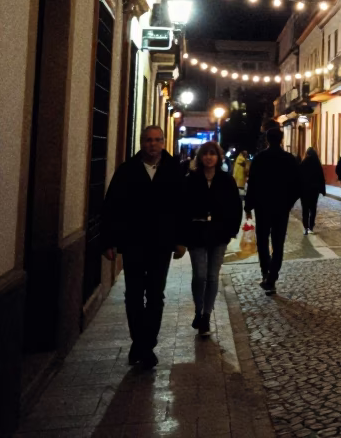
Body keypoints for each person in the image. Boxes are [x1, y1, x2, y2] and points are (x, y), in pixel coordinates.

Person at [101, 125, 183, 369]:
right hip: (134, 241)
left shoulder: (173, 171)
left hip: (161, 243)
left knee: (156, 295)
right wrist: (108, 241)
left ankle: (147, 343)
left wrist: (180, 240)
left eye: (157, 140)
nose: (153, 144)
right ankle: (140, 342)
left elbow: (182, 207)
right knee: (134, 295)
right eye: (148, 140)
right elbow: (111, 206)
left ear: (164, 142)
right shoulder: (127, 171)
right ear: (141, 142)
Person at [178, 141, 242, 338]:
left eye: (213, 154)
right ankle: (198, 310)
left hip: (219, 232)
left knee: (213, 276)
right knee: (200, 275)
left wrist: (231, 230)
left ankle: (206, 315)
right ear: (200, 157)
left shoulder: (226, 180)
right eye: (206, 154)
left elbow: (235, 207)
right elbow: (182, 207)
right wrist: (183, 233)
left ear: (218, 157)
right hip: (196, 232)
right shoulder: (191, 179)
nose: (209, 157)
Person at [244, 128, 300, 295]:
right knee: (278, 243)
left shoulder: (260, 159)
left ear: (267, 140)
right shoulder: (289, 159)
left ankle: (265, 273)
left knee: (262, 241)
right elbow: (298, 186)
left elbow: (252, 184)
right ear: (282, 139)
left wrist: (248, 207)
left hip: (262, 207)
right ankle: (272, 277)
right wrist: (288, 204)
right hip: (281, 208)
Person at [299, 147, 327, 234]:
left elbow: (299, 176)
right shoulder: (317, 163)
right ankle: (311, 226)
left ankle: (305, 227)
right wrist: (323, 190)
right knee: (313, 208)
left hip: (305, 190)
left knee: (305, 209)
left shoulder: (304, 162)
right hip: (314, 190)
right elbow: (321, 177)